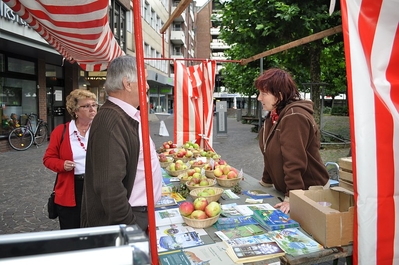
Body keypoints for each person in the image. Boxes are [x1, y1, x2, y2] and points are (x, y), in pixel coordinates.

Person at [81, 55, 162, 232]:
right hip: (128, 220)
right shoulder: (111, 121)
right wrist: (132, 227)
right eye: (145, 79)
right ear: (128, 83)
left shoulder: (126, 115)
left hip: (138, 214)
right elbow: (109, 188)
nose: (147, 86)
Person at [255, 68, 329, 214]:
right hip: (290, 191)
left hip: (310, 192)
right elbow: (270, 152)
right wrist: (266, 181)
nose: (259, 98)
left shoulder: (294, 117)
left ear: (279, 95)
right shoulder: (274, 116)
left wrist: (292, 196)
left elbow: (294, 161)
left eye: (264, 93)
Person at [43, 89, 98, 229]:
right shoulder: (61, 131)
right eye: (86, 106)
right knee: (71, 230)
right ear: (75, 111)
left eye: (94, 105)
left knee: (94, 229)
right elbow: (48, 158)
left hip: (95, 187)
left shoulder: (100, 130)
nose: (92, 109)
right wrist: (62, 165)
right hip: (71, 188)